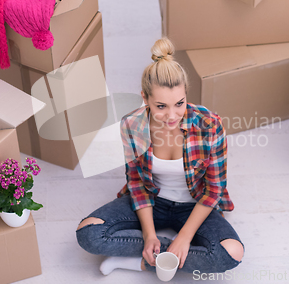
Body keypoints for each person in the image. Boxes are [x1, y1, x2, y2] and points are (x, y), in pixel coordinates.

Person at [75, 37, 244, 276]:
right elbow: (136, 183)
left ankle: (138, 261)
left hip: (194, 204)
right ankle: (161, 253)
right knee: (88, 233)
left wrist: (185, 237)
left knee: (232, 252)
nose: (172, 115)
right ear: (145, 98)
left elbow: (214, 189)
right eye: (161, 106)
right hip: (154, 202)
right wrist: (149, 235)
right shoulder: (132, 125)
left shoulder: (209, 124)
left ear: (186, 94)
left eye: (179, 103)